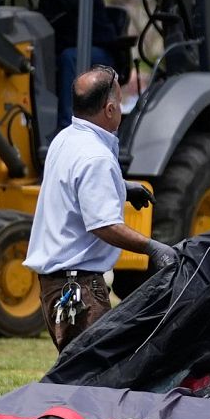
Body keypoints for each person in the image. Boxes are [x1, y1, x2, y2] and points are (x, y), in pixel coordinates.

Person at [23, 66, 177, 352]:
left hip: (57, 285)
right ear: (109, 110)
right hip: (80, 288)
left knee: (80, 376)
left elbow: (73, 185)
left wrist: (120, 186)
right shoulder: (96, 156)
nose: (122, 108)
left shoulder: (65, 139)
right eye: (120, 102)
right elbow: (103, 225)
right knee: (95, 382)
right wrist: (153, 247)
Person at [15, 0, 118, 134]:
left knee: (68, 57)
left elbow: (68, 0)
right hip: (66, 46)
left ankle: (67, 125)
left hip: (96, 48)